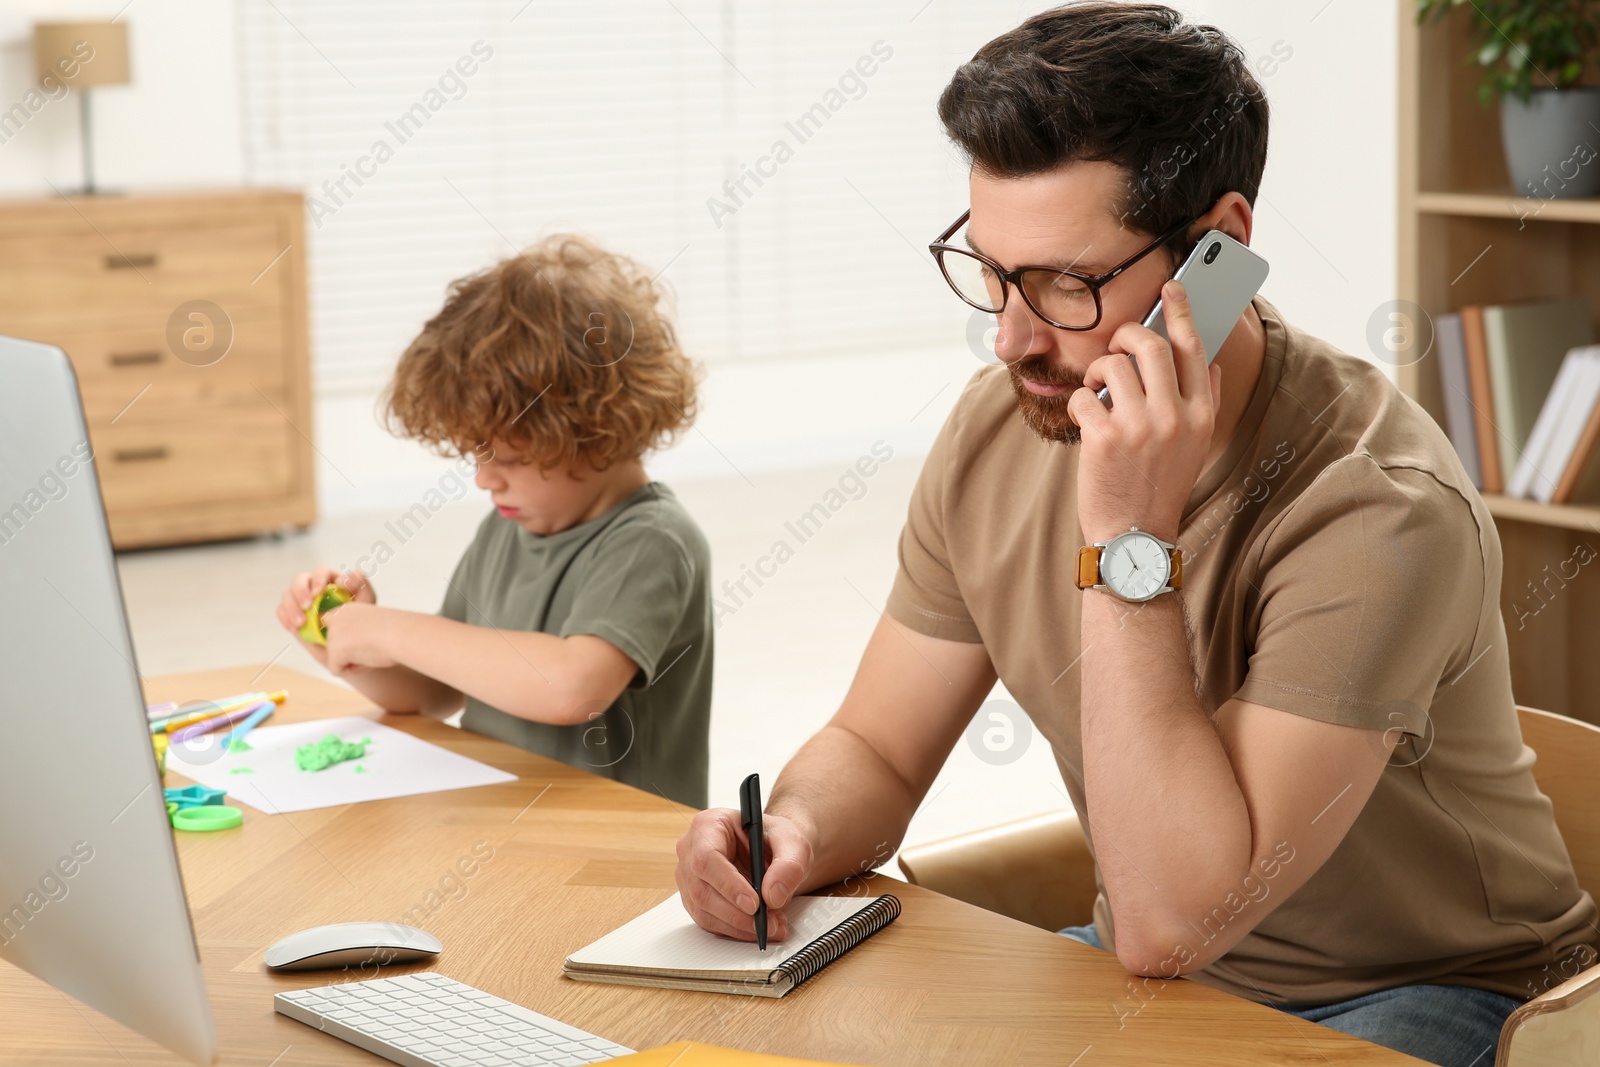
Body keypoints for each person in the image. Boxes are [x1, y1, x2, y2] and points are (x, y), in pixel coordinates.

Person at [671, 5, 1598, 1065]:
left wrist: (1127, 534)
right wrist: (790, 831)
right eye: (992, 270)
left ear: (1219, 249)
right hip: (1156, 971)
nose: (1012, 337)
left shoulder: (1378, 506)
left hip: (1429, 989)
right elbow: (876, 746)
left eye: (1067, 283)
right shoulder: (997, 430)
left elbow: (1172, 920)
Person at [276, 234, 714, 808]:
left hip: (616, 849)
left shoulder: (651, 542)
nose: (484, 480)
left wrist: (390, 631)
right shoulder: (508, 528)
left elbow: (570, 687)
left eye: (505, 459)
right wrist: (342, 642)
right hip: (509, 825)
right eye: (475, 456)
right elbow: (432, 694)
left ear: (597, 432)